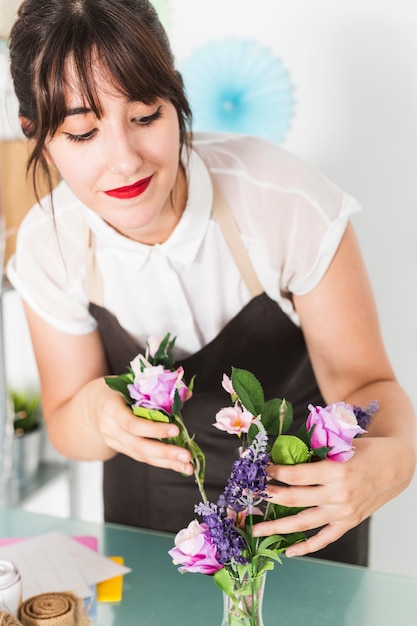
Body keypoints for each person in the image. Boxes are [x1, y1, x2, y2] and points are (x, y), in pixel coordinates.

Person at [6, 0, 416, 567]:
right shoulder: (47, 244)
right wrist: (94, 412)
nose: (125, 161)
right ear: (36, 134)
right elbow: (68, 428)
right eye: (82, 132)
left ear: (176, 96)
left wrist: (393, 460)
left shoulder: (282, 199)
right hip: (148, 528)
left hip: (301, 515)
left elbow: (366, 382)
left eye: (146, 116)